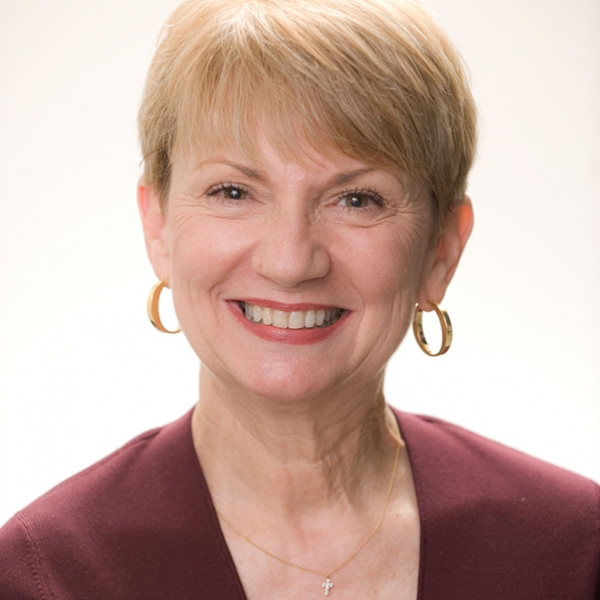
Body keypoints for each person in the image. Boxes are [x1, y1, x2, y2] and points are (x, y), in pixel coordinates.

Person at [0, 0, 598, 598]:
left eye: (357, 200)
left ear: (441, 250)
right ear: (158, 226)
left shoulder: (573, 551)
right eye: (233, 191)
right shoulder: (45, 572)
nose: (289, 261)